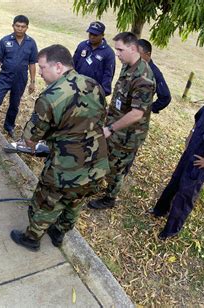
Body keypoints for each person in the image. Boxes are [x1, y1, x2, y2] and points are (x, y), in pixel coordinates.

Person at [10, 44, 109, 251]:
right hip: (96, 163)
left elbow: (30, 139)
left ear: (57, 66)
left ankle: (32, 239)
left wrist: (49, 139)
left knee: (46, 202)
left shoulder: (50, 97)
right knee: (75, 200)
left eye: (42, 67)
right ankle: (58, 233)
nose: (40, 73)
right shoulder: (94, 84)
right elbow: (99, 119)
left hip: (65, 167)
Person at [149, 79, 204, 240]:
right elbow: (196, 123)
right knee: (173, 183)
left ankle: (171, 230)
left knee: (184, 198)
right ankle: (159, 210)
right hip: (186, 158)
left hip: (197, 167)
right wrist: (190, 135)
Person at [88, 32, 156, 210]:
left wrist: (110, 128)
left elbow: (136, 114)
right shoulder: (128, 65)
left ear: (133, 49)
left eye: (120, 49)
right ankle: (95, 185)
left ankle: (109, 198)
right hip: (115, 126)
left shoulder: (144, 78)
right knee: (104, 156)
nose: (116, 53)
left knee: (117, 168)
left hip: (127, 135)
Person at [0, 15, 38, 139]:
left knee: (14, 104)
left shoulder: (31, 43)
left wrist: (32, 82)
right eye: (17, 26)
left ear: (27, 28)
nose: (20, 29)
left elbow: (32, 63)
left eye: (23, 27)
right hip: (4, 77)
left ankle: (9, 126)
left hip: (20, 80)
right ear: (13, 26)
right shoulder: (5, 41)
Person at [73, 21, 116, 96]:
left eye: (95, 35)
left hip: (93, 94)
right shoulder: (82, 46)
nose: (92, 37)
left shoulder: (108, 53)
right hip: (76, 88)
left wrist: (102, 94)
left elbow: (108, 75)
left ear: (102, 35)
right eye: (90, 34)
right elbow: (73, 64)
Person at [137, 39, 171, 113]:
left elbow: (165, 97)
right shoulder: (132, 65)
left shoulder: (155, 73)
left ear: (148, 55)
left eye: (138, 54)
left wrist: (150, 108)